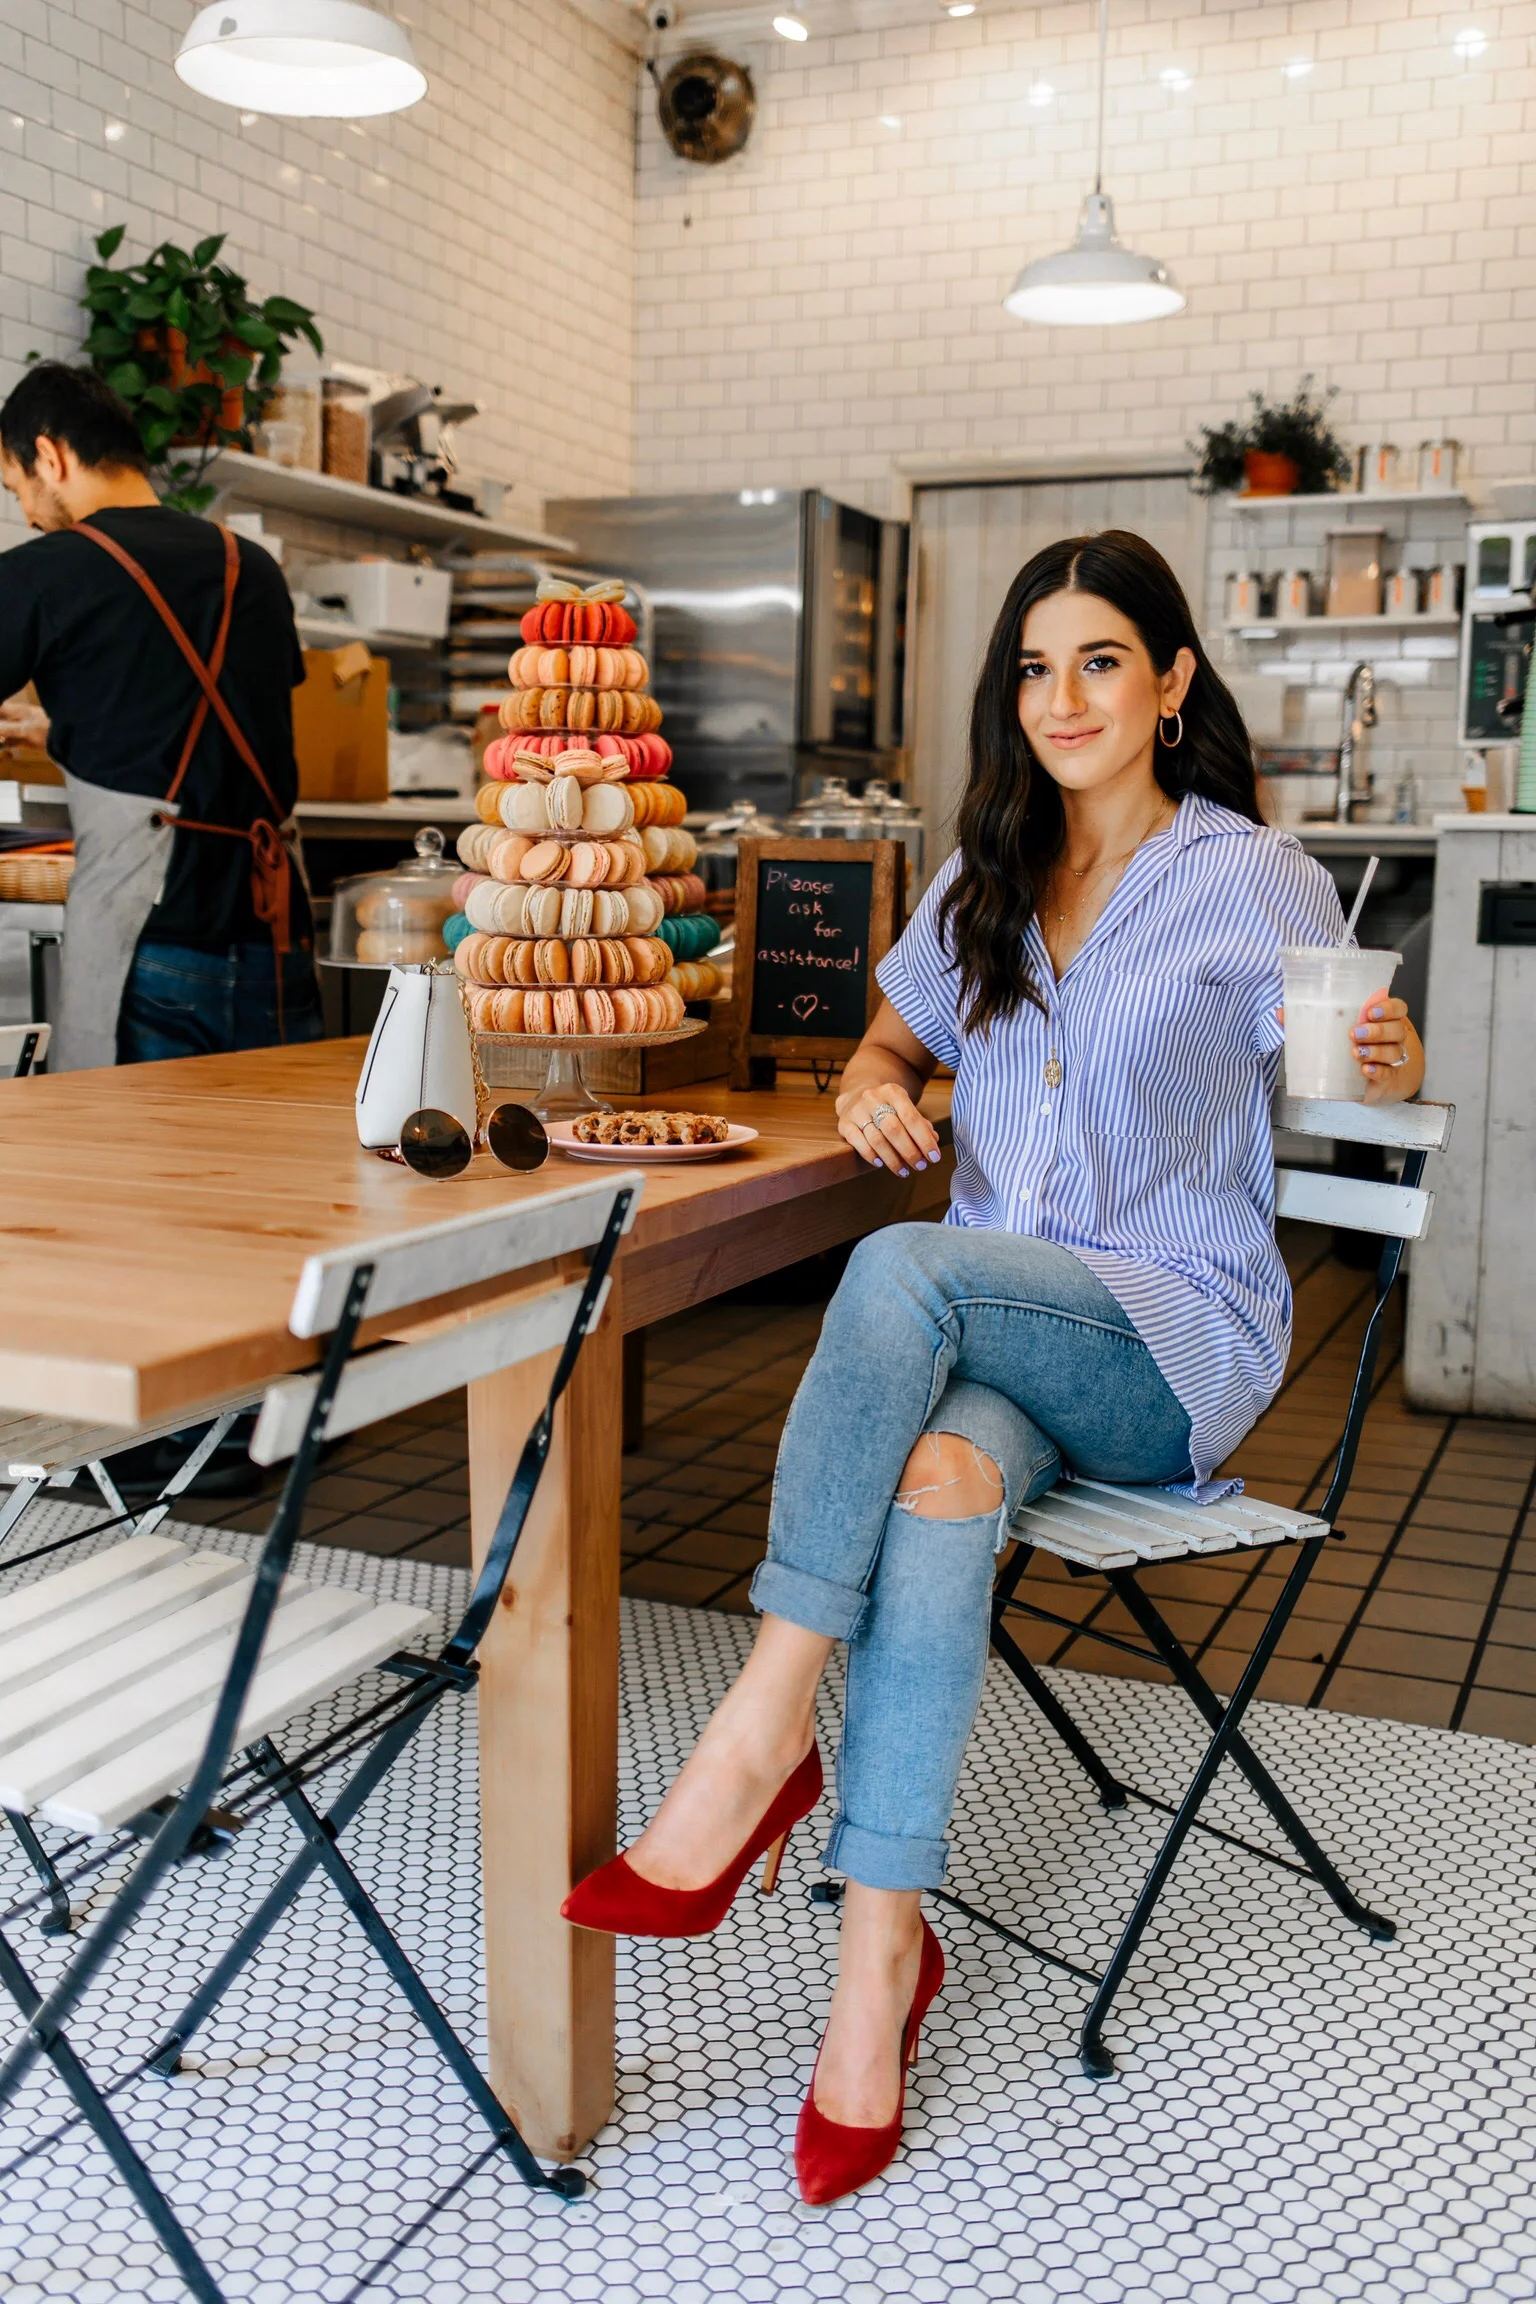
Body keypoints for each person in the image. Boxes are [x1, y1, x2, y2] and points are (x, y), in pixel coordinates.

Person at [561, 530, 1426, 2204]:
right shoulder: (985, 870)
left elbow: (1351, 1080)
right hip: (995, 1329)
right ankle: (876, 1961)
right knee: (941, 1484)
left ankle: (759, 1724)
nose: (1062, 696)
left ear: (1172, 682)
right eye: (1035, 666)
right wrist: (873, 1087)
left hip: (1168, 1337)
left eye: (1102, 659)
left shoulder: (1250, 874)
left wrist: (1386, 1055)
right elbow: (891, 1038)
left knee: (901, 1262)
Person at [0, 361, 321, 1069]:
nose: (25, 512)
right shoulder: (254, 567)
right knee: (271, 1165)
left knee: (132, 1170)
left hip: (150, 947)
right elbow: (213, 724)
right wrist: (58, 732)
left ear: (50, 455)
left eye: (18, 486)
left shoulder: (46, 571)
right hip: (277, 943)